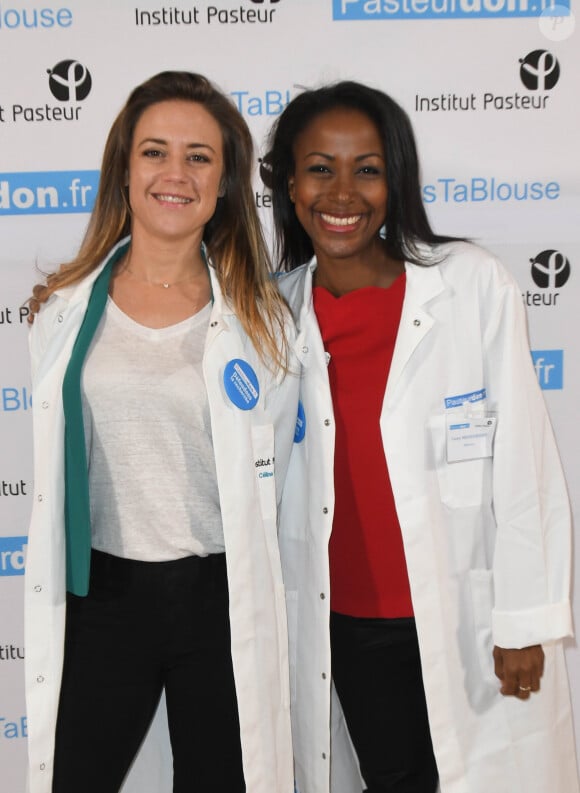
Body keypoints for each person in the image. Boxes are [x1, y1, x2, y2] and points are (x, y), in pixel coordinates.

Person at [265, 81, 579, 793]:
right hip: (343, 618)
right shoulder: (273, 310)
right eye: (320, 168)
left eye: (366, 169)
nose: (342, 192)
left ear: (394, 179)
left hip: (466, 608)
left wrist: (524, 617)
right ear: (289, 183)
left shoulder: (471, 285)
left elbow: (523, 461)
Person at [24, 70, 298, 793]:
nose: (175, 173)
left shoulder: (265, 319)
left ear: (225, 181)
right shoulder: (60, 309)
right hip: (103, 595)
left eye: (199, 156)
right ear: (124, 167)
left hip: (219, 596)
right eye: (154, 151)